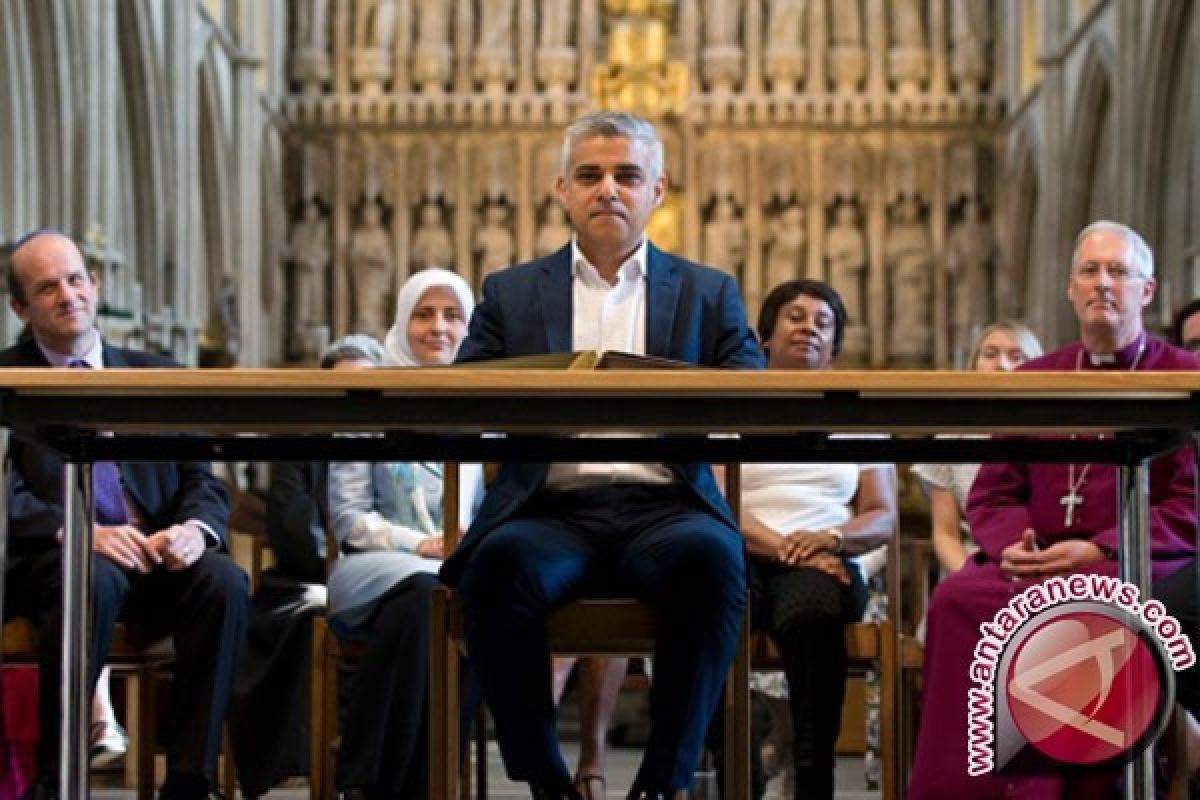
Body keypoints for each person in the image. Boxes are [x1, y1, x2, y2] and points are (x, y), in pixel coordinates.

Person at [441, 111, 764, 800]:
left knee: (715, 561)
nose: (608, 190)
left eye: (627, 176)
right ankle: (547, 779)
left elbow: (753, 390)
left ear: (659, 190)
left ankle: (662, 781)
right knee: (496, 568)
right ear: (562, 189)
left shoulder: (710, 292)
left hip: (666, 507)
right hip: (549, 507)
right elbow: (464, 395)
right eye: (590, 175)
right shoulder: (511, 291)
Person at [907, 220, 1200, 799]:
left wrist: (1102, 546)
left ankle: (1061, 791)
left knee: (1084, 605)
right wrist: (1013, 542)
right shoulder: (1036, 378)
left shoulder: (1184, 376)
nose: (1102, 284)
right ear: (1070, 289)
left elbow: (1190, 503)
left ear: (1148, 290)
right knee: (956, 600)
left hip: (1129, 557)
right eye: (1090, 271)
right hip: (1035, 559)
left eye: (1118, 271)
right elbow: (993, 491)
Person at [1, 230, 249, 800]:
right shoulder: (6, 380)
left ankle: (190, 779)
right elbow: (6, 496)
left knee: (224, 583)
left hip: (157, 558)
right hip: (55, 562)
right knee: (90, 578)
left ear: (96, 284)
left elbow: (200, 481)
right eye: (47, 287)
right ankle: (55, 778)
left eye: (75, 278)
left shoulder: (155, 373)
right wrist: (80, 530)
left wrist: (193, 531)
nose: (68, 294)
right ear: (20, 307)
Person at [712, 279, 897, 800]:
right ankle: (735, 764)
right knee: (708, 599)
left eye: (823, 322)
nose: (809, 328)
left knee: (812, 611)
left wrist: (831, 539)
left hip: (824, 560)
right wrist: (782, 545)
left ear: (835, 345)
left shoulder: (858, 416)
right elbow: (716, 497)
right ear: (765, 336)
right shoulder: (732, 409)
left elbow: (882, 516)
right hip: (741, 548)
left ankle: (813, 775)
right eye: (795, 316)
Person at [329, 269, 484, 800]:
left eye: (451, 315)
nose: (437, 327)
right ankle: (374, 779)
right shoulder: (368, 400)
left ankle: (423, 778)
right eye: (423, 313)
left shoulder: (484, 408)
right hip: (374, 564)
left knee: (481, 600)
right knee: (424, 594)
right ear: (402, 320)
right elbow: (348, 516)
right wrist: (415, 543)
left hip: (452, 571)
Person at [227, 334, 384, 798]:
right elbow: (290, 522)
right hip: (306, 577)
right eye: (343, 390)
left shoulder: (391, 443)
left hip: (380, 574)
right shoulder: (300, 445)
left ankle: (371, 762)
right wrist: (330, 562)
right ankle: (300, 759)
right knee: (297, 619)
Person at [911, 321, 1043, 575]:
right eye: (990, 354)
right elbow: (945, 535)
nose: (1002, 365)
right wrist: (972, 578)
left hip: (1045, 565)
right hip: (973, 565)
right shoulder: (952, 439)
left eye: (1016, 357)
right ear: (974, 365)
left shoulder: (1054, 435)